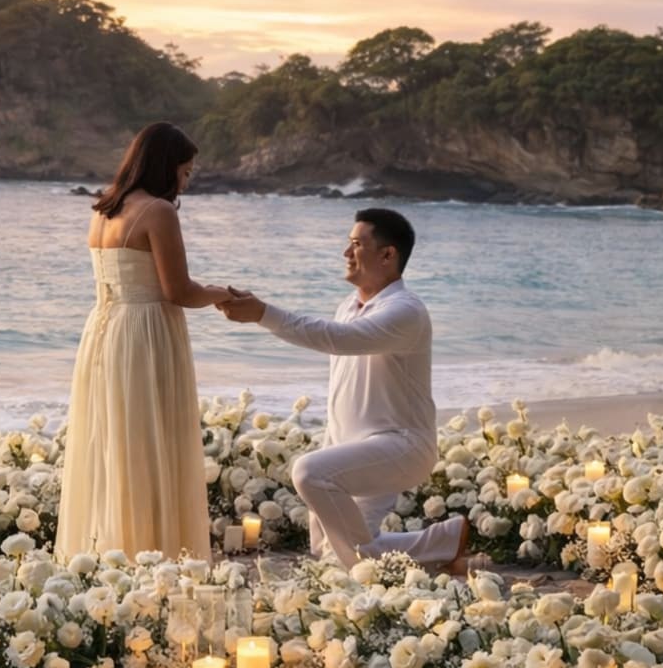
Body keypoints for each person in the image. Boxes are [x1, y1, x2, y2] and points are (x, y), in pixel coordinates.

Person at [219, 208, 470, 572]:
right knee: (330, 553)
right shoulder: (348, 307)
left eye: (356, 244)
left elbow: (338, 339)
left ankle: (368, 578)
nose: (345, 253)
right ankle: (444, 541)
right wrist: (331, 449)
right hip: (355, 448)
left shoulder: (405, 310)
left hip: (400, 446)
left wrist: (262, 312)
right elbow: (343, 392)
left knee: (308, 473)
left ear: (388, 255)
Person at [55, 121, 229, 562]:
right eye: (185, 173)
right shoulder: (157, 212)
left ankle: (111, 552)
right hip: (147, 333)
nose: (185, 184)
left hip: (103, 332)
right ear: (166, 166)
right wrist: (223, 294)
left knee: (114, 443)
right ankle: (152, 553)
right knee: (152, 443)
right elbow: (179, 292)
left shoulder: (102, 209)